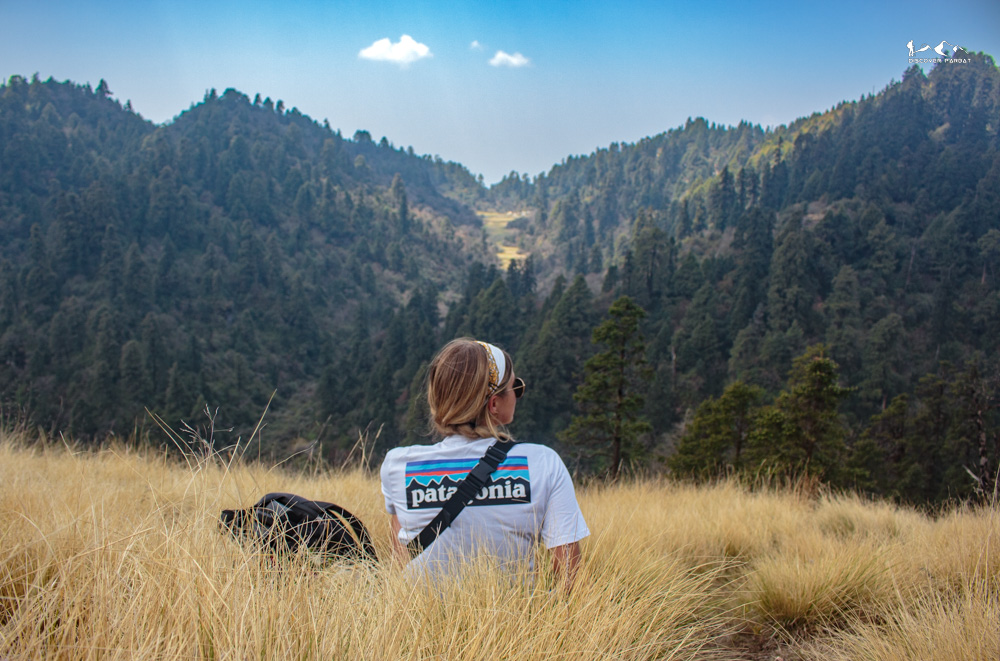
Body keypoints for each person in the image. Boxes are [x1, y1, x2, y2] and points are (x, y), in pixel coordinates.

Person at [379, 338, 589, 589]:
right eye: (515, 388)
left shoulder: (398, 465)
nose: (518, 395)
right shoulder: (542, 462)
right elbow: (568, 576)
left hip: (416, 623)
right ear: (494, 404)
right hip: (515, 623)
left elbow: (400, 561)